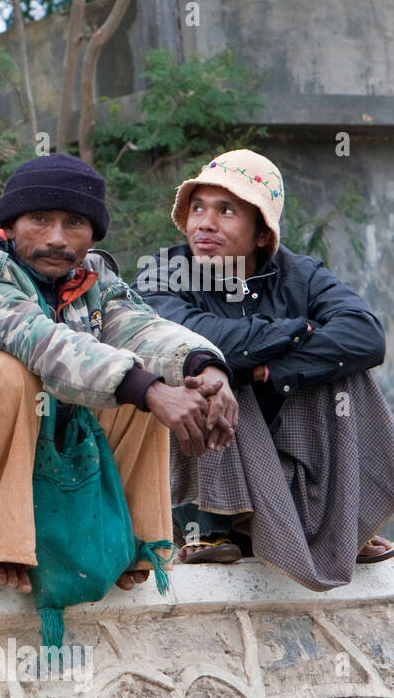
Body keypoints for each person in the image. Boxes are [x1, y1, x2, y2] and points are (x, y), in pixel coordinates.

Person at [0, 153, 234, 593]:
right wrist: (150, 391)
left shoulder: (93, 278)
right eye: (39, 219)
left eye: (74, 223)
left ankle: (132, 542)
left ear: (92, 233)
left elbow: (142, 329)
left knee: (149, 375)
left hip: (52, 474)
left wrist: (206, 368)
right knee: (13, 371)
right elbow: (43, 344)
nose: (56, 238)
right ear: (10, 226)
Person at [134, 149, 394, 588]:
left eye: (226, 210)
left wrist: (270, 371)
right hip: (217, 442)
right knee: (201, 370)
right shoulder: (164, 272)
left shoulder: (301, 274)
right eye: (197, 208)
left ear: (260, 234)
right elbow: (192, 333)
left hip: (287, 432)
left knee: (346, 373)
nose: (205, 223)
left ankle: (343, 522)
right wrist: (293, 331)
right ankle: (209, 527)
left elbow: (365, 335)